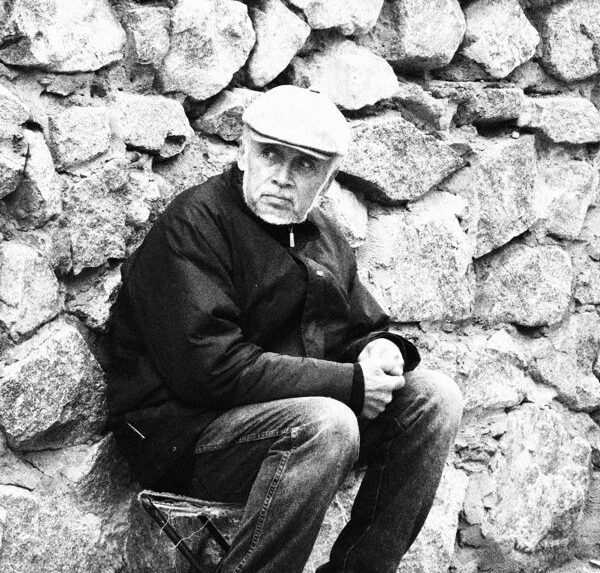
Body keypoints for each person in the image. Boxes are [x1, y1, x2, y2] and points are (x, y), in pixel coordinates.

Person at [107, 85, 463, 573]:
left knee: (435, 398)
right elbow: (210, 371)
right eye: (270, 155)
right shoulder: (195, 224)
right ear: (243, 152)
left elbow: (356, 328)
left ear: (328, 179)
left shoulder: (321, 233)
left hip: (286, 424)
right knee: (327, 423)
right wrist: (350, 384)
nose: (282, 178)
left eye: (305, 165)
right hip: (185, 438)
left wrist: (381, 350)